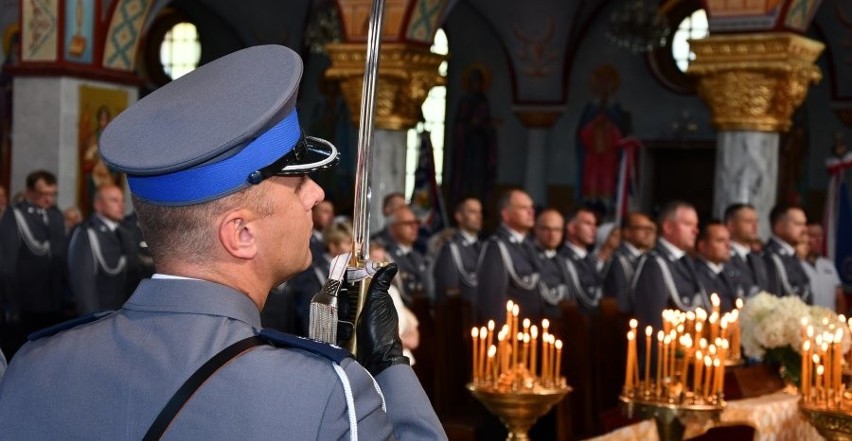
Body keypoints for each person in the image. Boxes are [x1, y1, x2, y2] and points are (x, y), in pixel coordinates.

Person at [0, 45, 445, 440]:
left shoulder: (34, 364)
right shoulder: (322, 395)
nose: (316, 193)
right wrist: (387, 361)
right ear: (241, 234)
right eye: (296, 183)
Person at [0, 170, 67, 344]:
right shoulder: (15, 215)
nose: (48, 199)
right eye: (43, 194)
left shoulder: (55, 215)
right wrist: (13, 305)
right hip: (27, 302)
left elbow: (61, 256)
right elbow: (7, 265)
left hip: (55, 300)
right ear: (29, 192)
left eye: (53, 194)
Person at [67, 185, 140, 314]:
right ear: (98, 205)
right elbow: (84, 285)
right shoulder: (87, 233)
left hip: (123, 312)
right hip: (101, 314)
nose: (121, 205)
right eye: (114, 200)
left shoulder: (125, 233)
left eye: (122, 200)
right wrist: (91, 319)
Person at [632, 201, 704, 331]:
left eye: (696, 225)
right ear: (668, 227)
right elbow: (652, 323)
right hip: (668, 347)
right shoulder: (654, 264)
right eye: (688, 224)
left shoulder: (687, 261)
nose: (696, 231)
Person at [476, 188, 541, 324]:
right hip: (512, 330)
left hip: (533, 327)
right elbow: (492, 298)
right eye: (523, 208)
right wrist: (501, 337)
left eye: (531, 207)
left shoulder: (529, 245)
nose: (531, 212)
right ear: (506, 214)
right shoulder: (496, 247)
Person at [603, 211, 656, 313]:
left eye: (650, 229)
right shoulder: (618, 261)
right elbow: (621, 303)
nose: (648, 232)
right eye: (642, 228)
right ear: (627, 232)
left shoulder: (649, 257)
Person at [433, 197, 482, 304]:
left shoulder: (483, 247)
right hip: (464, 311)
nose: (479, 216)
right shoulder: (450, 247)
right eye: (472, 212)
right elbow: (448, 289)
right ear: (459, 216)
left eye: (480, 212)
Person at [559, 207, 604, 314]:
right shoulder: (563, 258)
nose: (594, 229)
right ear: (572, 228)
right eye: (588, 224)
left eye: (595, 224)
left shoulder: (591, 259)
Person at [763, 205, 812, 302]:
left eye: (804, 224)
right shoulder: (770, 256)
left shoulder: (792, 255)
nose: (804, 229)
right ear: (779, 226)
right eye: (798, 224)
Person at [384, 205, 432, 302]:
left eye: (416, 223)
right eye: (408, 223)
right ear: (393, 228)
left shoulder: (418, 256)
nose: (414, 227)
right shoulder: (386, 256)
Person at [723, 203, 769, 297]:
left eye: (756, 221)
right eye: (748, 221)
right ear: (731, 225)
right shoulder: (724, 257)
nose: (755, 226)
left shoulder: (758, 258)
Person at [531, 209, 570, 319]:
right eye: (546, 229)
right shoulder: (528, 257)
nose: (552, 234)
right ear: (536, 229)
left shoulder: (564, 261)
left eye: (557, 230)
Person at [693, 221, 738, 312]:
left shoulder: (729, 271)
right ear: (702, 246)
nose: (728, 245)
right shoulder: (695, 273)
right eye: (720, 240)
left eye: (729, 239)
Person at [800, 223, 845, 312]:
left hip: (830, 322)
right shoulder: (796, 264)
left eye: (821, 236)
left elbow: (840, 297)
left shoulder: (828, 264)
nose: (819, 240)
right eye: (813, 236)